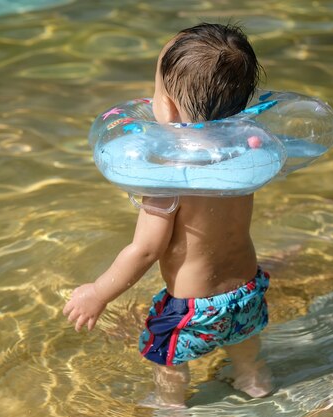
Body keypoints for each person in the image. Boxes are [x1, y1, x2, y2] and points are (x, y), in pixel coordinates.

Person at [63, 23, 273, 408]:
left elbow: (144, 250)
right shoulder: (247, 153)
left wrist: (98, 293)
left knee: (166, 356)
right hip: (246, 288)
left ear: (169, 106)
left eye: (156, 89)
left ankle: (170, 405)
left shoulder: (166, 175)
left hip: (192, 305)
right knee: (243, 342)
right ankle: (253, 380)